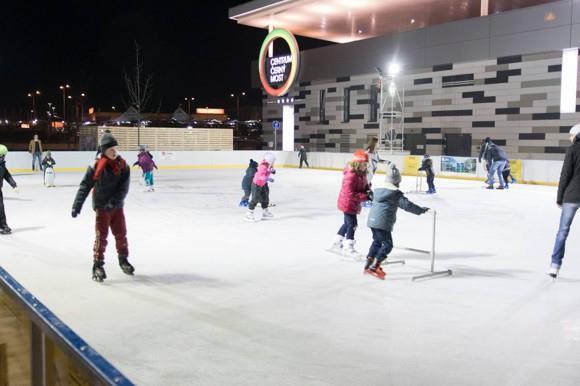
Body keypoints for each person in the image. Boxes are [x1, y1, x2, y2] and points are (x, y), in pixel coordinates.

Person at [71, 132, 134, 282]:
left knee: (121, 234)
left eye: (115, 148)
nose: (114, 151)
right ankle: (98, 264)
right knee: (101, 237)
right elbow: (85, 186)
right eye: (110, 149)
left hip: (117, 207)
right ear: (104, 150)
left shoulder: (123, 166)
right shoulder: (95, 167)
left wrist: (113, 202)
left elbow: (123, 189)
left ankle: (123, 260)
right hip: (101, 207)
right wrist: (76, 206)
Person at [365, 163, 429, 279]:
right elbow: (407, 205)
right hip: (382, 223)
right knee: (388, 245)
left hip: (372, 221)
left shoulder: (378, 191)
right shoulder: (395, 194)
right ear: (397, 181)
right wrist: (421, 210)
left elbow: (371, 197)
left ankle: (368, 263)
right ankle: (375, 266)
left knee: (377, 242)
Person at [547, 125, 580, 279]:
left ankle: (555, 265)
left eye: (570, 135)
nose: (570, 138)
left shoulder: (573, 149)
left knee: (563, 231)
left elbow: (565, 174)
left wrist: (559, 197)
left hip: (572, 195)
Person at [330, 150, 371, 258]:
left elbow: (364, 186)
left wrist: (368, 191)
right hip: (347, 203)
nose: (366, 166)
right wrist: (365, 197)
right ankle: (348, 247)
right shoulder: (351, 175)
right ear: (357, 163)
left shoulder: (361, 174)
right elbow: (350, 193)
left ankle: (336, 242)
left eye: (367, 164)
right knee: (352, 224)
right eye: (364, 164)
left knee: (347, 224)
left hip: (353, 203)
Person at [244, 153, 276, 222]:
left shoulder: (268, 165)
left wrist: (271, 171)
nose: (273, 162)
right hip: (257, 184)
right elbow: (260, 176)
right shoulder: (263, 166)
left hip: (263, 184)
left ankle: (265, 212)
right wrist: (267, 179)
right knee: (255, 198)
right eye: (273, 161)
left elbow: (268, 171)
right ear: (270, 160)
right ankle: (249, 213)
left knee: (265, 197)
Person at [0, 145, 18, 235]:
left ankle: (4, 226)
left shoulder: (2, 164)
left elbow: (6, 175)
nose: (4, 157)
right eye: (3, 155)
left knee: (0, 209)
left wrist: (14, 185)